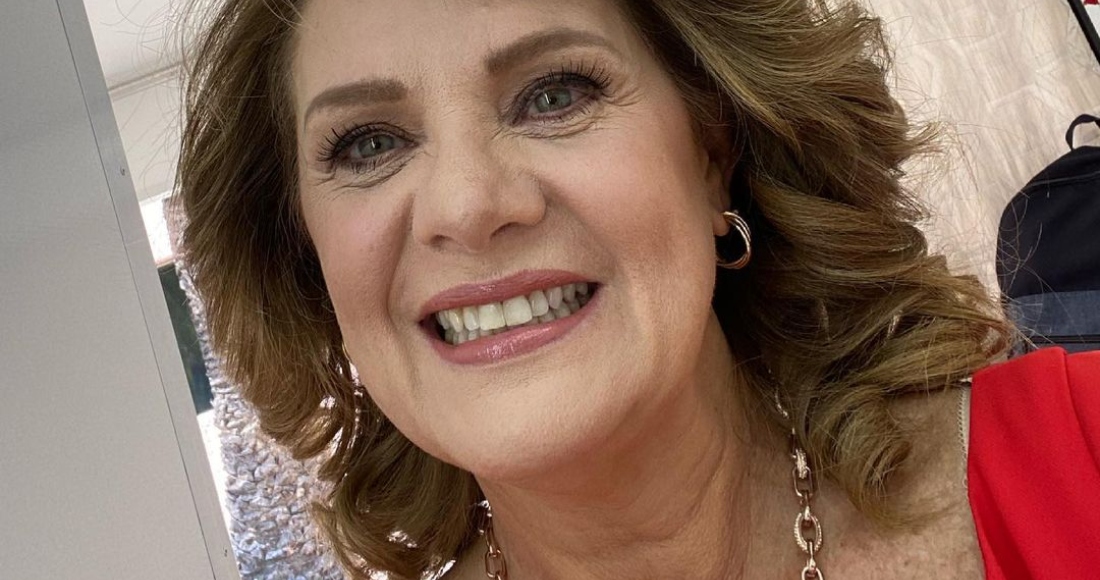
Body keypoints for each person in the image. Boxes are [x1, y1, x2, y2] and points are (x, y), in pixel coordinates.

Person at [176, 0, 1100, 578]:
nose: (467, 205)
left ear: (713, 150)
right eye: (370, 144)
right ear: (305, 258)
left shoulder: (1083, 452)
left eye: (555, 94)